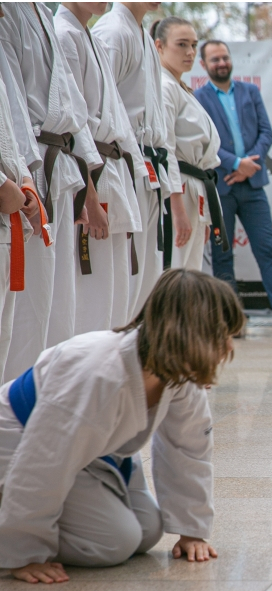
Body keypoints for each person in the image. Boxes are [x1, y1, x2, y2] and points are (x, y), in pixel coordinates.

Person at [0, 268, 242, 584]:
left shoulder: (178, 371)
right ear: (189, 332)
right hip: (19, 441)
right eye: (221, 334)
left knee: (146, 530)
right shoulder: (98, 373)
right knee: (113, 543)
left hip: (92, 456)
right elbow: (44, 464)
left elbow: (189, 448)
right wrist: (25, 553)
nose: (228, 346)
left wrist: (191, 531)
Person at [0, 1, 104, 381]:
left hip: (49, 167)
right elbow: (14, 110)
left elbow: (71, 108)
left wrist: (86, 187)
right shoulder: (13, 12)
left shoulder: (42, 11)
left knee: (54, 303)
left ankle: (43, 399)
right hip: (30, 166)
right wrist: (22, 173)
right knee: (26, 305)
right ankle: (15, 407)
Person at [195, 39, 272, 337]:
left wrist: (250, 163)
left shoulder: (250, 91)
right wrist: (236, 163)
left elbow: (266, 132)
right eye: (215, 59)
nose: (221, 63)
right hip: (220, 186)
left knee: (268, 250)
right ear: (204, 65)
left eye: (224, 57)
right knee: (222, 255)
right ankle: (231, 320)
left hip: (253, 186)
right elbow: (204, 141)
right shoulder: (197, 99)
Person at [55, 2, 145, 332]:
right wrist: (88, 192)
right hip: (90, 170)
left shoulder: (89, 36)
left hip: (113, 165)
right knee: (93, 294)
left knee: (117, 292)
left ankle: (112, 374)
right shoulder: (65, 35)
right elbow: (73, 122)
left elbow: (117, 116)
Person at [93, 2, 185, 320]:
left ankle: (135, 352)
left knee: (147, 275)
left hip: (148, 166)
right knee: (120, 276)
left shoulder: (143, 35)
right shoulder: (113, 31)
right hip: (121, 163)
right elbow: (96, 107)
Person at [153, 18, 222, 273]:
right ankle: (169, 316)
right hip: (179, 188)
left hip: (194, 187)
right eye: (181, 44)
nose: (190, 52)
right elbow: (166, 149)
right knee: (177, 272)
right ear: (159, 46)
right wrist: (177, 208)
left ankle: (186, 316)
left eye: (193, 45)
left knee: (192, 272)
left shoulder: (180, 86)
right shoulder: (164, 86)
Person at [0, 56, 43, 381]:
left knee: (4, 335)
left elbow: (11, 138)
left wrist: (25, 182)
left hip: (9, 215)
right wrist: (3, 185)